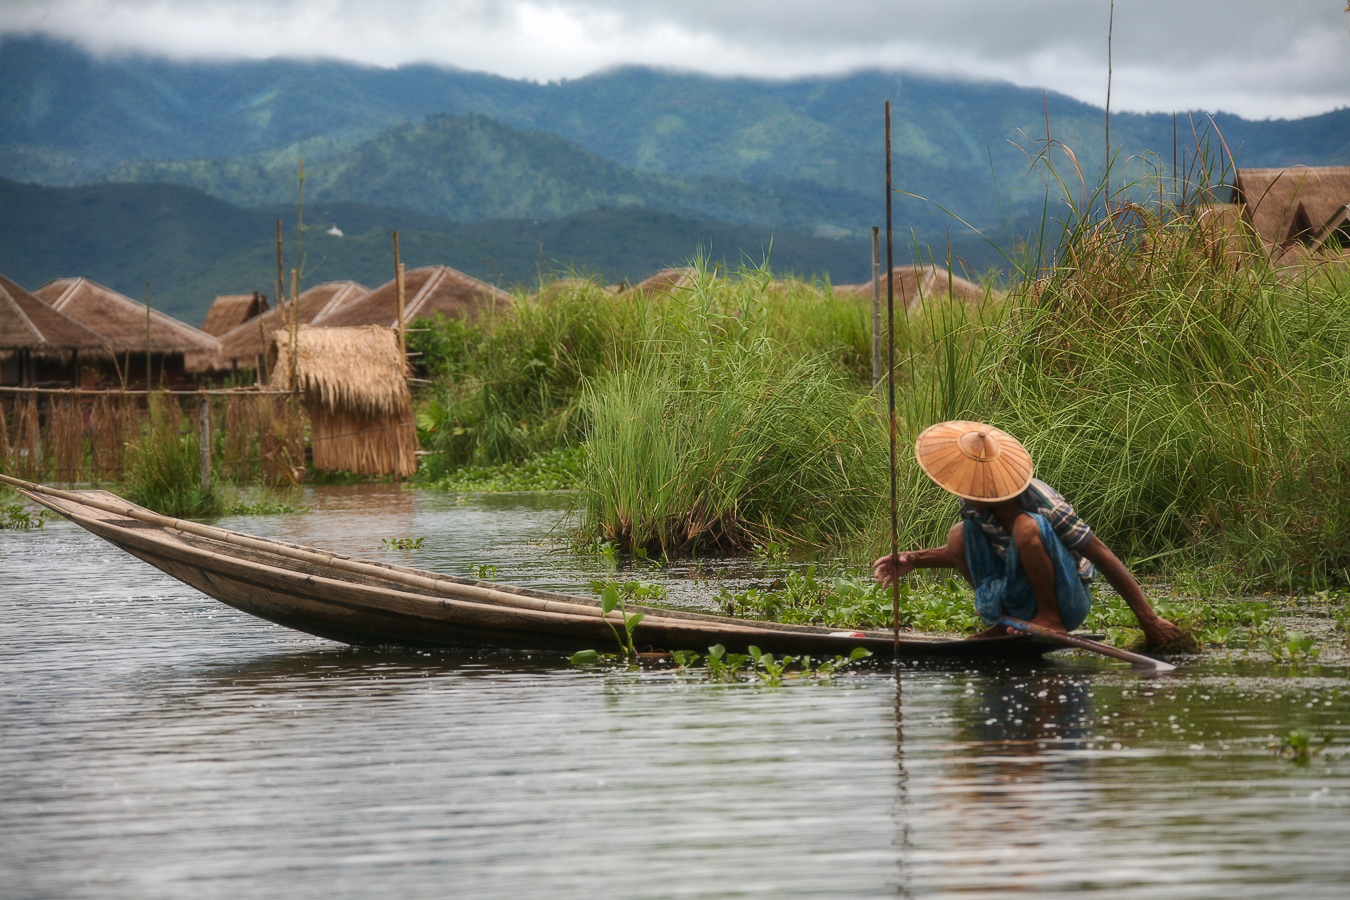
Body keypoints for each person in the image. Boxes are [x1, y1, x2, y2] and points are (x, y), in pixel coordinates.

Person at [872, 420, 1180, 647]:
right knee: (958, 534)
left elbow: (1101, 554)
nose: (963, 490)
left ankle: (1049, 618)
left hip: (1066, 601)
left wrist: (1149, 621)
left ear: (989, 482)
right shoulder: (974, 505)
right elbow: (969, 550)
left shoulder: (1044, 503)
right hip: (1017, 598)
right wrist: (914, 558)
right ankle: (1001, 620)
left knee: (1026, 526)